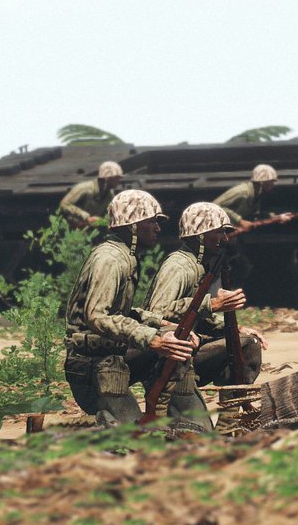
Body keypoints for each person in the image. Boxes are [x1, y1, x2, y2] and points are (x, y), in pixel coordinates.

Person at [62, 190, 197, 427]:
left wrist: (164, 326)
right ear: (132, 227)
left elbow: (123, 313)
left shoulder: (124, 256)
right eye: (151, 221)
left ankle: (170, 420)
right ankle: (103, 425)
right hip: (92, 365)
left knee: (177, 346)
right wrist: (153, 340)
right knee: (132, 441)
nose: (157, 228)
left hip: (109, 355)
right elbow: (98, 316)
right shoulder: (111, 259)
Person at [143, 202, 267, 435]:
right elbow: (156, 313)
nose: (225, 239)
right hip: (169, 358)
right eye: (219, 232)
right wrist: (211, 304)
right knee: (197, 435)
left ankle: (229, 423)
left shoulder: (201, 266)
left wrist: (234, 330)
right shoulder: (179, 266)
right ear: (200, 236)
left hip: (189, 348)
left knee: (247, 344)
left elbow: (196, 317)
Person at [212, 164, 293, 285]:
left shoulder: (256, 195)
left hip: (230, 236)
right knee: (228, 266)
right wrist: (240, 220)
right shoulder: (243, 192)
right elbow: (215, 206)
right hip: (216, 234)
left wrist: (277, 217)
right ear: (262, 182)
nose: (273, 185)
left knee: (241, 266)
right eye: (271, 182)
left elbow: (256, 215)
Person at [58, 161, 124, 228]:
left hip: (90, 232)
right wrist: (86, 217)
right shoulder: (84, 188)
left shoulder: (110, 195)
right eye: (116, 178)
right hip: (71, 230)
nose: (118, 181)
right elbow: (65, 204)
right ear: (107, 178)